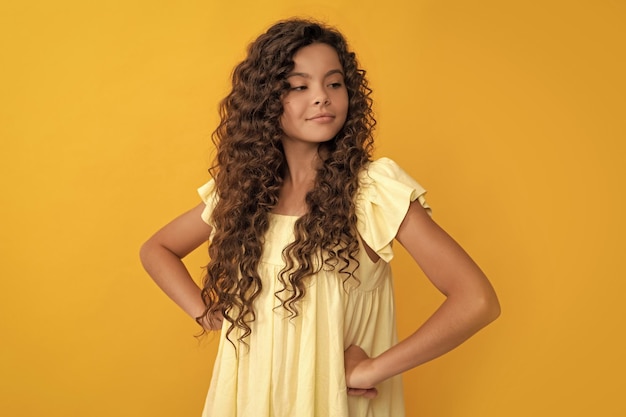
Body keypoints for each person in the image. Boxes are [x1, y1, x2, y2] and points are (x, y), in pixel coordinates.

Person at [140, 18, 500, 417]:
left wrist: (372, 370)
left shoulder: (372, 193)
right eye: (299, 86)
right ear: (265, 100)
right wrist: (207, 313)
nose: (322, 98)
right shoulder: (243, 196)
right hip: (246, 401)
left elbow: (477, 300)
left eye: (334, 83)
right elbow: (156, 249)